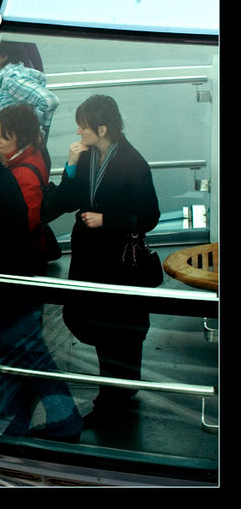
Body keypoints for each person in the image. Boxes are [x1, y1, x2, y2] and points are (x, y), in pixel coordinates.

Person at [0, 134, 82, 442]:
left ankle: (63, 420)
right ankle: (13, 418)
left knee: (27, 354)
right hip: (9, 286)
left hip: (3, 289)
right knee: (5, 353)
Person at [44, 95, 160, 428]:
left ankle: (113, 397)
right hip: (91, 258)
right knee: (102, 322)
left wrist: (107, 220)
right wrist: (68, 164)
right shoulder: (88, 156)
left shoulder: (133, 164)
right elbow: (68, 198)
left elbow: (149, 216)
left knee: (117, 328)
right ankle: (121, 389)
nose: (78, 131)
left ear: (102, 128)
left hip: (119, 262)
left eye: (83, 125)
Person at [0, 103, 53, 273]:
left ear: (22, 138)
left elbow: (26, 222)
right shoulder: (32, 152)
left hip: (23, 256)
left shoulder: (24, 175)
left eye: (3, 137)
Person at [0, 41, 59, 166]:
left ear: (4, 56)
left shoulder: (12, 79)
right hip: (8, 153)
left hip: (19, 156)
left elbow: (50, 101)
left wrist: (37, 132)